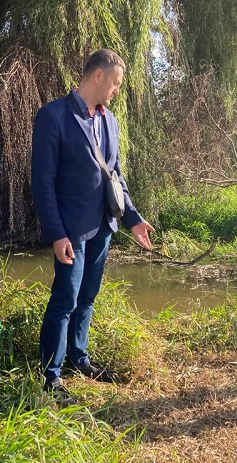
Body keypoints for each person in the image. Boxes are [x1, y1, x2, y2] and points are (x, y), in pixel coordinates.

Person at [31, 49, 155, 405]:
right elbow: (43, 184)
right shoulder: (53, 116)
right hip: (70, 231)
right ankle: (49, 377)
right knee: (65, 299)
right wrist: (56, 234)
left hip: (103, 227)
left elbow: (114, 175)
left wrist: (132, 218)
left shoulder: (109, 121)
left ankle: (78, 357)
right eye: (115, 83)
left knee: (87, 297)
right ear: (97, 76)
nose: (117, 89)